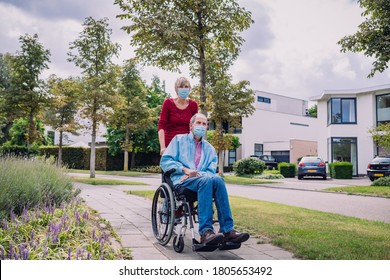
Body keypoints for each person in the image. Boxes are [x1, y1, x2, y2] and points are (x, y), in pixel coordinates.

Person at [160, 113, 249, 245]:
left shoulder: (209, 148)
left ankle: (228, 231)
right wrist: (184, 170)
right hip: (183, 181)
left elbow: (210, 170)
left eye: (204, 124)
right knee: (207, 180)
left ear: (207, 127)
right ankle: (206, 232)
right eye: (198, 123)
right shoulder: (178, 140)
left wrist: (199, 175)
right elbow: (165, 161)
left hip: (202, 181)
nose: (201, 126)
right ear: (191, 125)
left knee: (218, 179)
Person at [158, 77, 198, 155]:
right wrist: (163, 147)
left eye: (186, 87)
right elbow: (161, 126)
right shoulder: (168, 103)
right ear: (176, 89)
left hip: (187, 146)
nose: (184, 89)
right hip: (170, 145)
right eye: (181, 87)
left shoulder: (193, 105)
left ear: (189, 89)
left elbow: (194, 127)